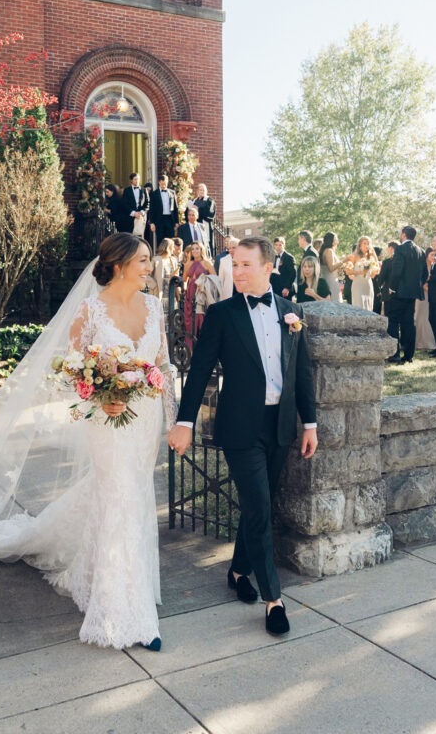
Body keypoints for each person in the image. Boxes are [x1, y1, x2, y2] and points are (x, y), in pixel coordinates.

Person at [0, 233, 176, 652]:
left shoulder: (155, 308)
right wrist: (102, 395)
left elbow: (162, 366)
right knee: (121, 497)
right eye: (143, 261)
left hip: (144, 423)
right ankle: (124, 613)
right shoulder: (90, 310)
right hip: (108, 422)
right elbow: (72, 371)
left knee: (130, 496)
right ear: (120, 265)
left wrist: (174, 421)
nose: (150, 268)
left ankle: (90, 569)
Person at [168, 236, 317, 637]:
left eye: (247, 265)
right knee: (261, 511)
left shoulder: (291, 312)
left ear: (269, 268)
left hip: (280, 428)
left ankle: (237, 571)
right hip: (239, 430)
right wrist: (184, 422)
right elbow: (199, 371)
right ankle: (274, 600)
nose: (238, 271)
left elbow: (301, 373)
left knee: (257, 506)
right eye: (235, 264)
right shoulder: (222, 314)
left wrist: (310, 424)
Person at [386, 226, 426, 364]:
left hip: (399, 292)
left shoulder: (400, 250)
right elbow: (425, 274)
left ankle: (394, 354)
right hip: (413, 293)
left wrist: (391, 288)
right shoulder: (421, 251)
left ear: (403, 234)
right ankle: (409, 355)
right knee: (408, 324)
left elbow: (397, 272)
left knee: (392, 322)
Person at [182, 241, 216, 348]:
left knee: (201, 318)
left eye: (197, 248)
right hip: (190, 294)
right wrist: (183, 291)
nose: (195, 251)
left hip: (202, 293)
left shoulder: (207, 263)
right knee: (190, 322)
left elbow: (215, 278)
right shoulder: (188, 264)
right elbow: (184, 279)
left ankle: (204, 346)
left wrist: (204, 281)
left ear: (201, 250)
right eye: (193, 249)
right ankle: (191, 349)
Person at [346, 236, 379, 311]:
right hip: (358, 286)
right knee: (358, 308)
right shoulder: (354, 256)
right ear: (360, 245)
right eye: (364, 243)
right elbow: (348, 271)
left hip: (368, 286)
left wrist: (374, 271)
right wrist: (360, 272)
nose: (366, 245)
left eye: (368, 244)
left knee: (368, 308)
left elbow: (376, 269)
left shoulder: (370, 257)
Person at [149, 175, 178, 248]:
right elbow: (151, 209)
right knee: (160, 240)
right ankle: (160, 256)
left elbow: (175, 208)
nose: (163, 185)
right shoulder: (154, 194)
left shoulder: (172, 193)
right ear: (159, 182)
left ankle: (170, 256)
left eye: (165, 183)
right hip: (159, 220)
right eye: (162, 183)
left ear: (167, 182)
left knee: (170, 240)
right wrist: (152, 223)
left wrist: (177, 222)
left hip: (170, 219)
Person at [415, 256, 436, 353]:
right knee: (420, 316)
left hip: (431, 293)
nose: (433, 257)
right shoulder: (422, 266)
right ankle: (419, 341)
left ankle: (428, 341)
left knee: (428, 317)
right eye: (431, 254)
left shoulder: (435, 266)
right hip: (422, 294)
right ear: (427, 255)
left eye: (434, 255)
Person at [122, 172, 149, 238]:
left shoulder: (144, 190)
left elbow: (147, 203)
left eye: (138, 179)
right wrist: (133, 213)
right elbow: (124, 204)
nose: (137, 181)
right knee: (130, 238)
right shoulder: (126, 190)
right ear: (131, 180)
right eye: (135, 179)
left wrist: (142, 212)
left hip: (141, 218)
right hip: (130, 218)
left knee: (140, 238)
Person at [318, 232, 344, 303]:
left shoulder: (329, 250)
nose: (338, 241)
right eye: (336, 239)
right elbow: (331, 268)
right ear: (331, 241)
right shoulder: (328, 251)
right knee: (334, 302)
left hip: (332, 279)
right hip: (330, 281)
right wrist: (344, 261)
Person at [271, 236, 297, 301]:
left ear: (284, 246)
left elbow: (292, 274)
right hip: (275, 288)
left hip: (285, 290)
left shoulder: (289, 257)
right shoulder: (274, 258)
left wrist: (287, 288)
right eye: (276, 245)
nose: (278, 247)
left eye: (280, 245)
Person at [217, 236, 238, 301]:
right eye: (229, 248)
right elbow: (220, 280)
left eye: (234, 248)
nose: (231, 250)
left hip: (242, 293)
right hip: (228, 294)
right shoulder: (223, 260)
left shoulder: (245, 259)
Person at [371, 246, 386, 314]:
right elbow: (376, 279)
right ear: (378, 254)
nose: (382, 255)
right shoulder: (376, 264)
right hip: (376, 291)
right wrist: (379, 291)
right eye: (381, 253)